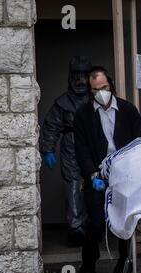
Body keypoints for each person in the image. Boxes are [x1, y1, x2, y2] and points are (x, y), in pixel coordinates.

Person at [73, 66, 141, 273]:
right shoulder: (83, 115)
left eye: (105, 87)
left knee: (127, 226)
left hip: (125, 176)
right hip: (97, 176)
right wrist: (91, 174)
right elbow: (81, 148)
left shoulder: (128, 110)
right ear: (90, 91)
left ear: (112, 85)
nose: (101, 92)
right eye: (96, 89)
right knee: (96, 224)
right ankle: (88, 265)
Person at [39, 56, 92, 246]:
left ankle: (95, 225)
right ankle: (76, 228)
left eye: (83, 76)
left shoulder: (97, 98)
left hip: (94, 146)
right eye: (76, 75)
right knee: (73, 186)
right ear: (70, 77)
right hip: (71, 146)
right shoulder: (62, 103)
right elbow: (51, 126)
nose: (80, 80)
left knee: (95, 184)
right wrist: (48, 149)